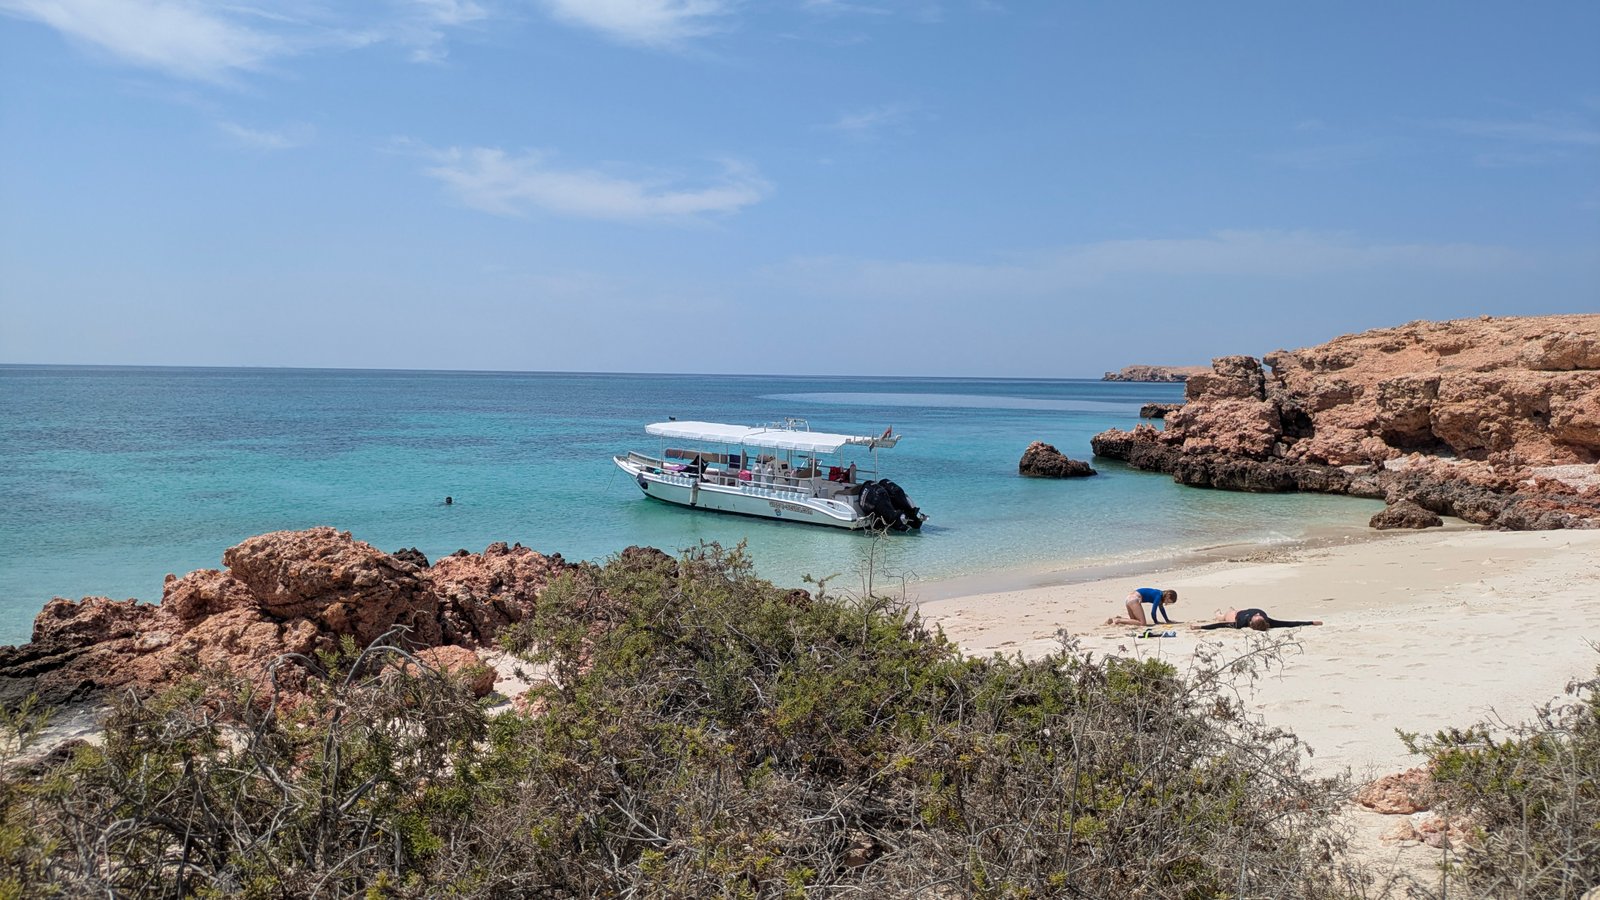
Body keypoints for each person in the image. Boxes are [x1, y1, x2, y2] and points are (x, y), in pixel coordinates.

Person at [1195, 608, 1322, 631]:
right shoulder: (1268, 621)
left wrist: (1201, 627)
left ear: (1251, 622)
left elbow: (1220, 626)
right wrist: (1311, 622)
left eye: (1256, 616)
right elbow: (1289, 623)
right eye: (1258, 615)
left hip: (1234, 615)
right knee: (1233, 608)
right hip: (1241, 610)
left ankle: (1218, 614)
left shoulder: (1240, 623)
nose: (1257, 613)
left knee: (1222, 618)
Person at [1106, 587, 1178, 626]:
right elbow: (1153, 612)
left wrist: (1167, 620)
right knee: (1142, 623)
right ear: (1168, 595)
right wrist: (1156, 622)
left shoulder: (1159, 594)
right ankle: (1118, 620)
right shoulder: (1158, 596)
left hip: (1129, 598)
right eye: (1168, 601)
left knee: (1134, 621)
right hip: (1134, 599)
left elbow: (1161, 609)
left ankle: (1113, 619)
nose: (1167, 603)